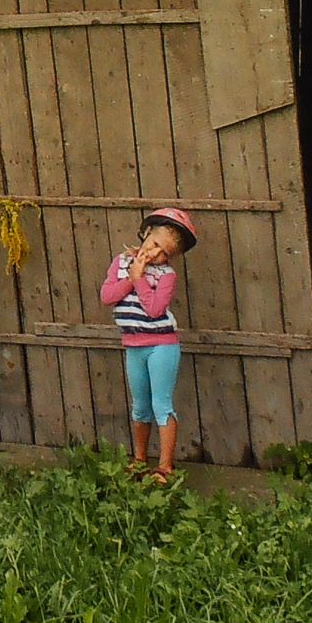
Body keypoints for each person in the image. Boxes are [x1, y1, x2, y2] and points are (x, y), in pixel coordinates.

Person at [101, 207, 197, 483]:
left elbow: (155, 309)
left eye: (164, 252)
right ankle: (140, 459)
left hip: (162, 346)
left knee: (161, 405)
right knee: (140, 406)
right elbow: (107, 296)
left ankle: (165, 466)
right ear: (145, 235)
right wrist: (131, 277)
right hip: (134, 345)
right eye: (154, 244)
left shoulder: (167, 275)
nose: (156, 254)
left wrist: (138, 279)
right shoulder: (120, 262)